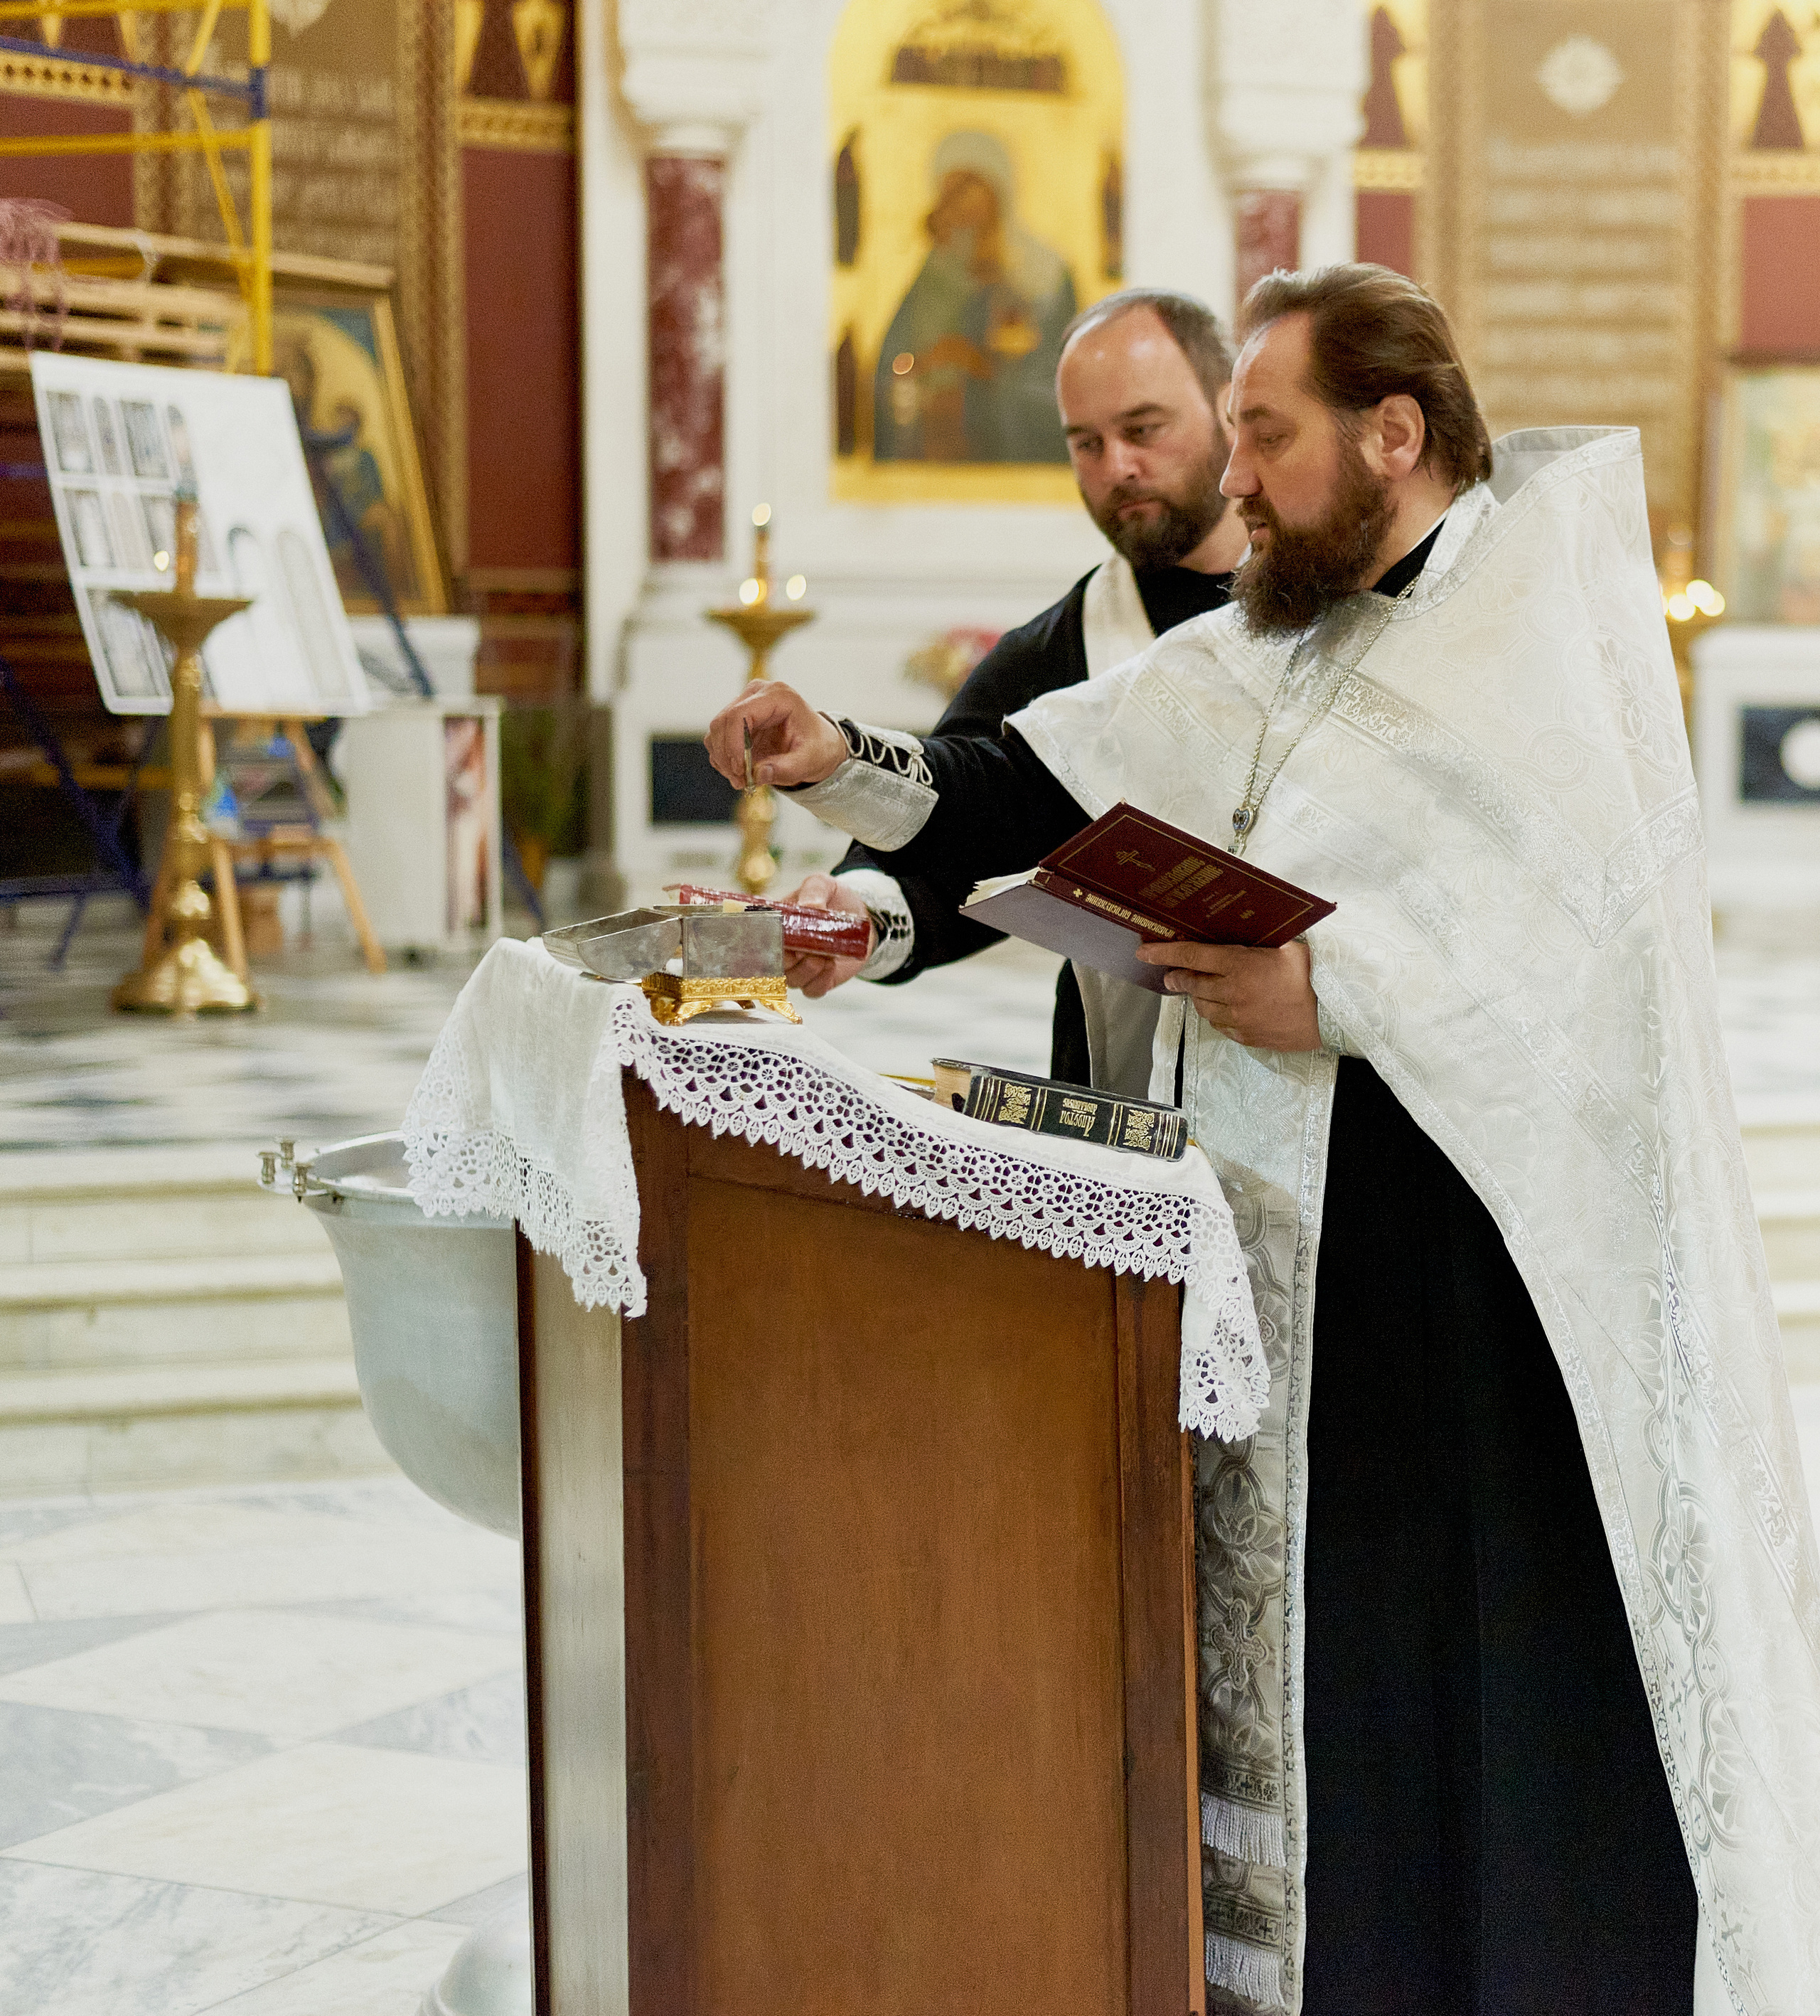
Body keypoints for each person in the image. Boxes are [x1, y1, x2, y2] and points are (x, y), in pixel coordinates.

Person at [707, 265, 1820, 2014]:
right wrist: (828, 758)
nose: (1231, 483)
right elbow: (1034, 780)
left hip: (1488, 1294)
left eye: (1264, 439)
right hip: (1295, 1287)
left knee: (1483, 1690)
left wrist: (1339, 984)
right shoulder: (1270, 640)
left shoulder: (1536, 636)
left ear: (1393, 434)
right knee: (1343, 1691)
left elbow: (1584, 955)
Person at [795, 285, 1248, 1092]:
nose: (1117, 468)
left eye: (1143, 429)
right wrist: (853, 914)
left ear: (1229, 406)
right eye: (1085, 442)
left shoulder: (1326, 598)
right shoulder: (1062, 646)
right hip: (1126, 1078)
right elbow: (955, 837)